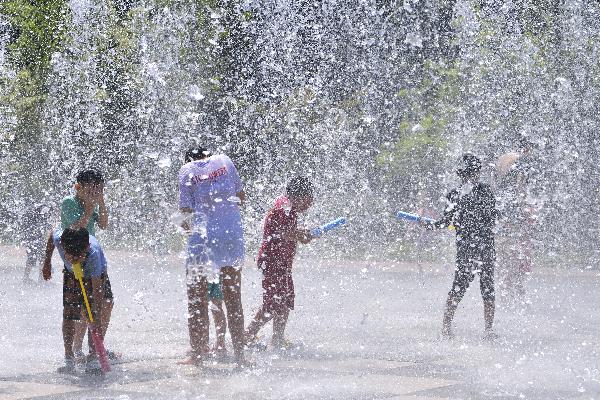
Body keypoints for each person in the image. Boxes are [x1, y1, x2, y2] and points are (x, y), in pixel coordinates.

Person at [178, 146, 247, 366]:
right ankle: (240, 357)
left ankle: (197, 356)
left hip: (203, 239)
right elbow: (240, 197)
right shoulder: (225, 161)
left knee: (197, 300)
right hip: (231, 235)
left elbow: (186, 216)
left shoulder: (186, 170)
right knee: (234, 299)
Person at [420, 154, 498, 339]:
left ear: (460, 174)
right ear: (477, 172)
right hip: (486, 247)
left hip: (466, 249)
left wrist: (427, 224)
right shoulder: (486, 192)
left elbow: (444, 222)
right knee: (487, 289)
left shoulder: (455, 195)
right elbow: (493, 217)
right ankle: (488, 331)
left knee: (458, 287)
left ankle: (446, 329)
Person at [42, 169, 112, 363]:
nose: (94, 193)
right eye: (91, 190)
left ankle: (96, 347)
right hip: (73, 256)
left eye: (98, 190)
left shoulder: (95, 250)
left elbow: (104, 225)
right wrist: (47, 262)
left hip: (92, 257)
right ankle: (76, 349)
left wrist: (101, 203)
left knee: (102, 303)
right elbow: (74, 228)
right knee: (79, 308)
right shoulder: (69, 202)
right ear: (78, 187)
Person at [245, 177, 314, 349]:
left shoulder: (288, 206)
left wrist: (301, 236)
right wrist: (300, 234)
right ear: (299, 196)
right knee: (273, 303)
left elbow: (286, 232)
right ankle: (247, 336)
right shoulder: (283, 207)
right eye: (309, 198)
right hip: (273, 261)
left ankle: (277, 340)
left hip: (281, 263)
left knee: (284, 300)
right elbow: (281, 232)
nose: (311, 202)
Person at [42, 228, 112, 374]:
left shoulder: (93, 254)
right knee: (69, 315)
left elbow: (96, 289)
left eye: (78, 256)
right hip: (71, 273)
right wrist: (47, 261)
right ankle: (69, 358)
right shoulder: (59, 239)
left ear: (86, 247)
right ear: (63, 245)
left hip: (95, 275)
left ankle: (93, 358)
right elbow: (51, 235)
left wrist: (94, 312)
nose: (74, 259)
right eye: (69, 255)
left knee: (93, 314)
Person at [495, 136, 536, 303]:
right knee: (519, 256)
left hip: (500, 215)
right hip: (515, 217)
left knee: (503, 256)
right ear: (525, 149)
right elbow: (519, 188)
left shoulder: (501, 160)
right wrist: (526, 207)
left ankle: (503, 291)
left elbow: (495, 187)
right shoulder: (521, 162)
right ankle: (518, 292)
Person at [20, 203, 53, 284]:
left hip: (31, 237)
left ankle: (26, 277)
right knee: (42, 257)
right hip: (35, 237)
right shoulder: (46, 208)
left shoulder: (39, 209)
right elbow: (44, 224)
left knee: (31, 258)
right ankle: (41, 278)